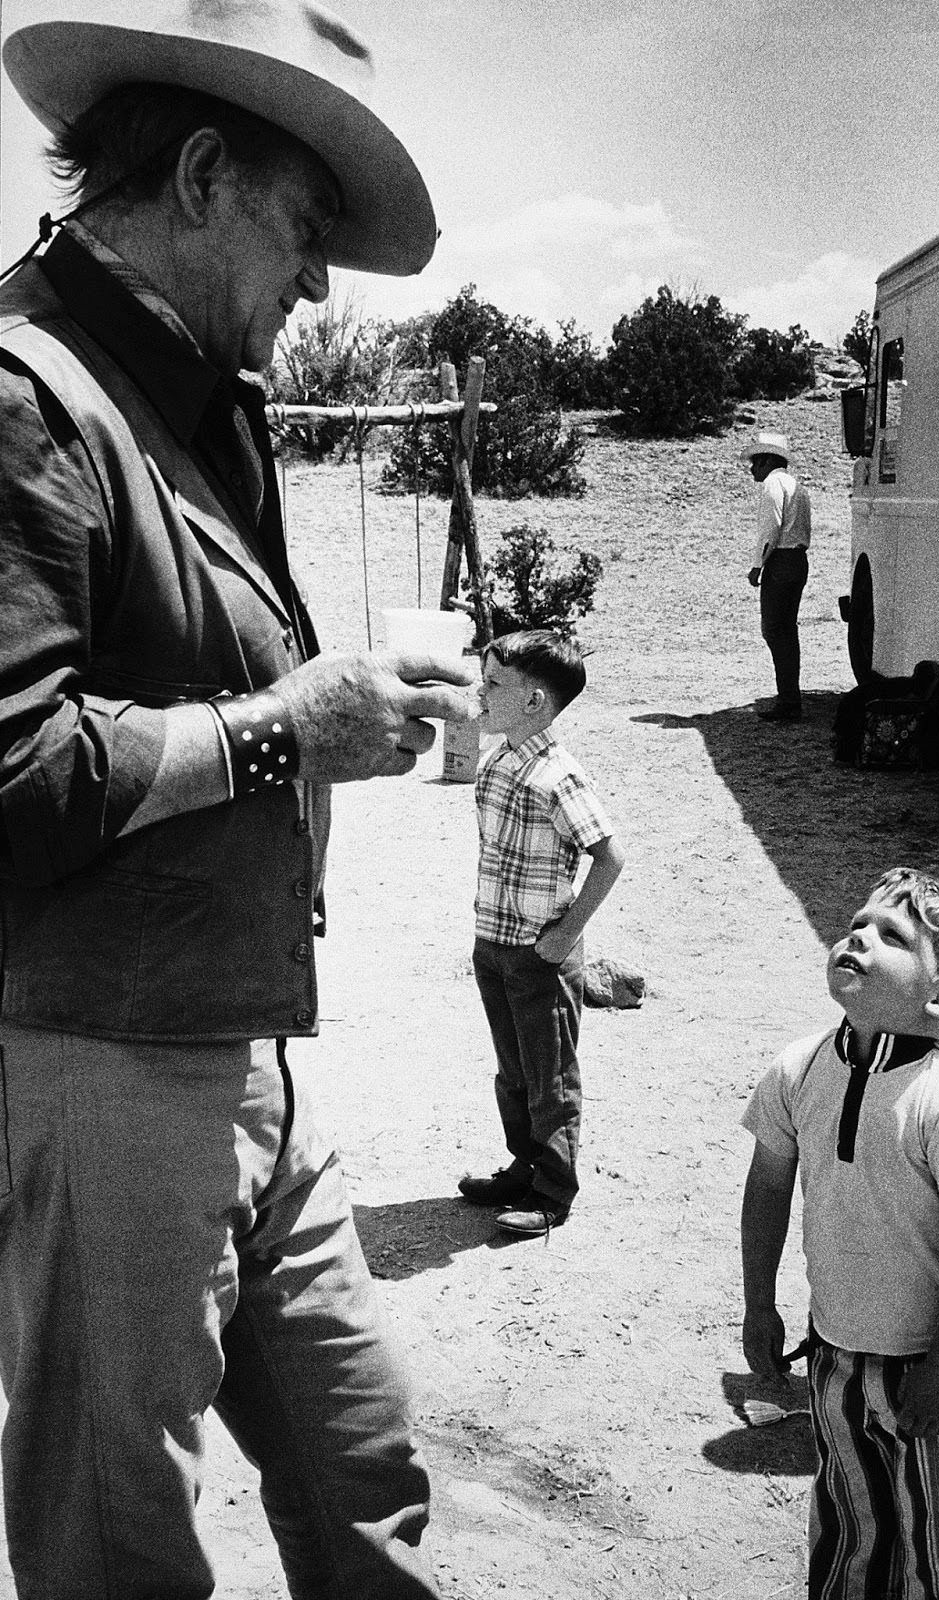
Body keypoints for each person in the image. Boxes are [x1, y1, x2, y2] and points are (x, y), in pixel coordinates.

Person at [0, 2, 475, 1593]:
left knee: (366, 1483)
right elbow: (15, 773)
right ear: (202, 174)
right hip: (97, 1065)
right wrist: (288, 730)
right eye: (305, 224)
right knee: (116, 1545)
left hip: (245, 1049)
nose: (322, 278)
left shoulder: (202, 400)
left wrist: (327, 722)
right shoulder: (26, 399)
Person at [740, 868, 939, 1600]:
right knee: (850, 1535)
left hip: (927, 1368)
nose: (858, 935)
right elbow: (766, 1190)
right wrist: (757, 1304)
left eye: (891, 935)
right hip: (834, 1356)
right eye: (858, 921)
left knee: (937, 1558)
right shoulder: (796, 1070)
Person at [457, 631, 624, 1237]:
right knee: (515, 1071)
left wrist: (565, 934)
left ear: (534, 701)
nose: (482, 691)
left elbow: (609, 858)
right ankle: (524, 1166)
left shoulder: (560, 776)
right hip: (494, 942)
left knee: (551, 1077)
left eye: (494, 682)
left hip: (540, 954)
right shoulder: (501, 760)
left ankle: (553, 1193)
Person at [741, 429, 812, 722]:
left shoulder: (773, 484)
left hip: (781, 560)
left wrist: (758, 564)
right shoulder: (797, 486)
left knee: (774, 630)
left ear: (769, 460)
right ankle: (790, 697)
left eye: (756, 461)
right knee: (786, 630)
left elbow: (771, 529)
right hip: (797, 560)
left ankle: (788, 700)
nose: (752, 468)